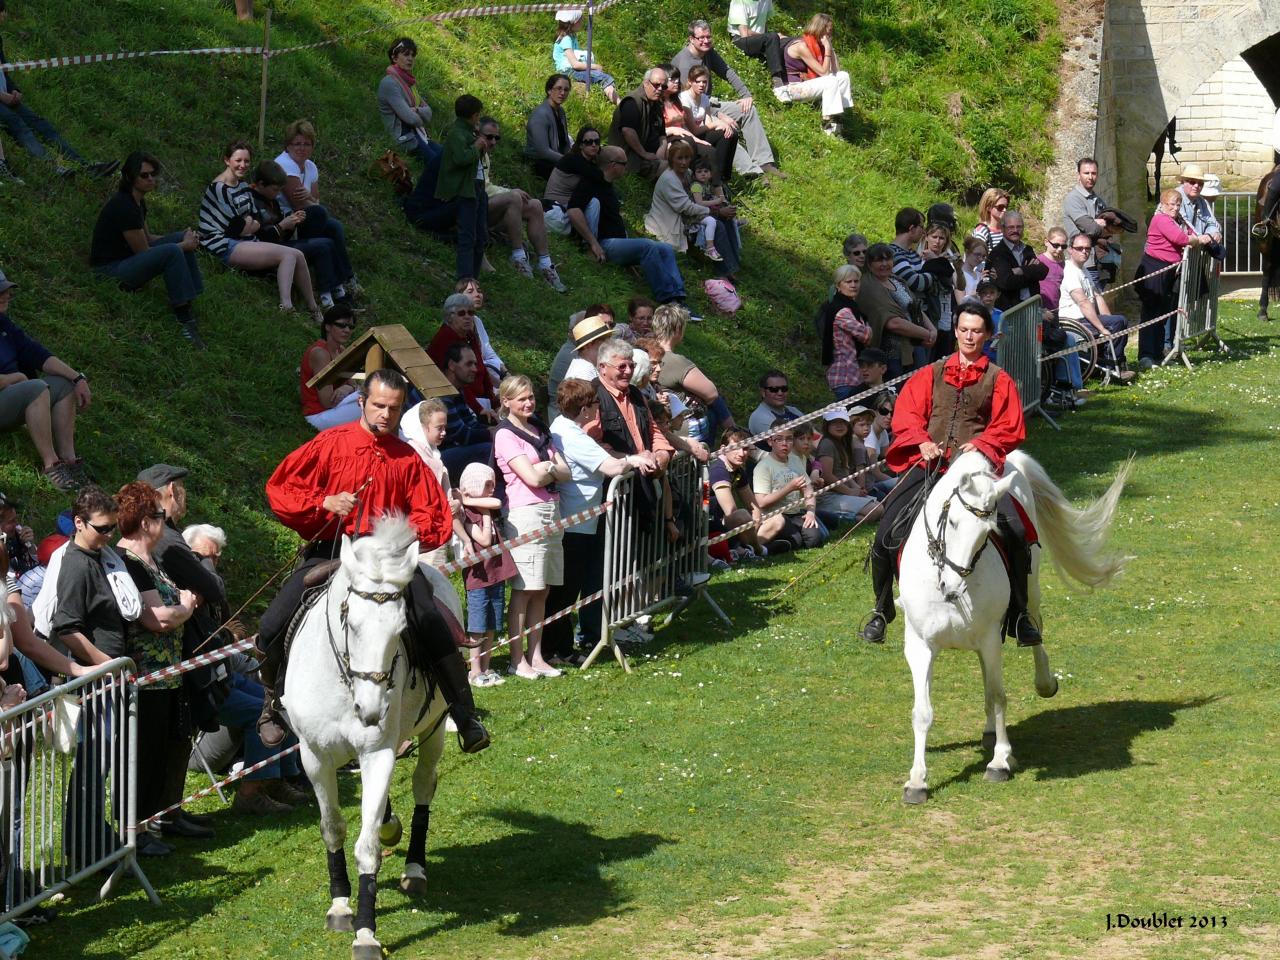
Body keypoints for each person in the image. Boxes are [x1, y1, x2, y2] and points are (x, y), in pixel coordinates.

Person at [255, 369, 489, 753]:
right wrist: (323, 503)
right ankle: (271, 706)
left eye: (394, 408)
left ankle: (464, 713)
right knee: (272, 623)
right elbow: (282, 488)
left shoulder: (407, 459)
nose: (385, 414)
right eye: (378, 405)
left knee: (430, 619)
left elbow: (433, 516)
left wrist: (402, 531)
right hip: (331, 551)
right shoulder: (330, 443)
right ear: (362, 402)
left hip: (388, 560)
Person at [858, 302, 1037, 646]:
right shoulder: (930, 373)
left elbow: (1009, 425)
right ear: (956, 332)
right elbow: (907, 415)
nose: (970, 336)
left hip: (976, 470)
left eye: (977, 331)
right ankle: (881, 611)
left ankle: (1021, 615)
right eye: (964, 329)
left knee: (1016, 532)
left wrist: (983, 443)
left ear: (988, 335)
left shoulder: (999, 380)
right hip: (931, 466)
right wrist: (921, 442)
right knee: (885, 532)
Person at [182, 523, 307, 816]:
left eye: (214, 558)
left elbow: (231, 643)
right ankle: (251, 792)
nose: (209, 564)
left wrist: (242, 652)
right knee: (261, 715)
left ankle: (280, 778)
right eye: (201, 557)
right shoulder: (185, 593)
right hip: (204, 685)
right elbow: (207, 645)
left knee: (278, 699)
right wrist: (229, 639)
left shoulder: (213, 591)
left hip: (228, 675)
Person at [114, 481, 200, 857]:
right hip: (144, 681)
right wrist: (187, 607)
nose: (164, 523)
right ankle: (135, 830)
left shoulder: (150, 561)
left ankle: (149, 824)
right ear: (147, 522)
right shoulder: (131, 563)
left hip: (165, 678)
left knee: (157, 755)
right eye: (160, 516)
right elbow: (158, 619)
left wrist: (178, 609)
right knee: (142, 759)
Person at [545, 378, 647, 663]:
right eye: (593, 404)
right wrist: (635, 460)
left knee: (567, 589)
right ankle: (556, 649)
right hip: (575, 523)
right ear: (585, 408)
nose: (596, 409)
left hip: (579, 520)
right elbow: (611, 466)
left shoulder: (566, 429)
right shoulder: (571, 435)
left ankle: (558, 647)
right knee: (565, 592)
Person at [493, 375, 570, 680]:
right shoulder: (505, 435)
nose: (528, 403)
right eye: (521, 398)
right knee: (525, 589)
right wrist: (548, 469)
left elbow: (564, 471)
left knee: (543, 588)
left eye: (531, 398)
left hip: (552, 511)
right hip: (526, 515)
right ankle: (516, 658)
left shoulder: (540, 429)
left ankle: (536, 655)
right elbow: (532, 478)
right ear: (507, 401)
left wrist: (546, 468)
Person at [90, 152, 205, 348]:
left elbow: (148, 238)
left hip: (126, 260)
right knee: (174, 250)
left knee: (178, 239)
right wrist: (182, 246)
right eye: (144, 175)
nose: (151, 179)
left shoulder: (138, 202)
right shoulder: (124, 205)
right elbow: (144, 251)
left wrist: (184, 238)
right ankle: (184, 318)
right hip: (109, 271)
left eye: (153, 174)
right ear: (129, 177)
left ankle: (190, 295)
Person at [197, 139, 320, 318]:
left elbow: (255, 222)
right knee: (287, 255)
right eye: (238, 161)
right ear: (227, 160)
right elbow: (235, 229)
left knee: (298, 255)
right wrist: (249, 225)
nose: (242, 165)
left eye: (246, 161)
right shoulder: (219, 188)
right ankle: (286, 305)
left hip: (243, 241)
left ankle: (314, 308)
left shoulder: (242, 186)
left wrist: (249, 224)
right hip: (223, 244)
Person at [567, 146, 693, 311]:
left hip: (617, 242)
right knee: (647, 246)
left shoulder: (609, 186)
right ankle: (669, 301)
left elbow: (615, 222)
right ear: (613, 165)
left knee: (665, 249)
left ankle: (679, 298)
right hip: (604, 243)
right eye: (624, 163)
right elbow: (573, 210)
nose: (626, 167)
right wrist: (593, 243)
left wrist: (629, 261)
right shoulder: (591, 183)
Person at [0, 1, 117, 178]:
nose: (4, 16)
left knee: (41, 124)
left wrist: (14, 89)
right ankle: (52, 167)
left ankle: (85, 166)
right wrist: (3, 97)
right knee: (18, 125)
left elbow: (5, 69)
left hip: (7, 96)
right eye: (2, 12)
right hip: (2, 100)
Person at [0, 271, 92, 492]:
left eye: (6, 290)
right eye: (0, 292)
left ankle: (69, 460)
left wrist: (77, 377)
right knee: (37, 387)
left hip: (13, 395)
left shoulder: (4, 325)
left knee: (63, 384)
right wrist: (18, 378)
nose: (6, 295)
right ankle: (51, 466)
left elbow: (38, 354)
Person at [671, 21, 783, 180]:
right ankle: (751, 172)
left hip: (708, 103)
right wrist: (720, 116)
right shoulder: (685, 64)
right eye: (701, 37)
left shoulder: (707, 52)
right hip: (694, 113)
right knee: (726, 129)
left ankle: (764, 162)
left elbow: (726, 71)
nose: (706, 41)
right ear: (691, 39)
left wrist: (746, 95)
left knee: (748, 109)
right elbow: (690, 103)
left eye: (708, 36)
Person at [273, 120, 361, 304]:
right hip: (288, 221)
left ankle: (347, 277)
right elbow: (297, 203)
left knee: (333, 226)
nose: (302, 148)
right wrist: (310, 200)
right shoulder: (285, 164)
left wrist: (310, 200)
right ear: (288, 145)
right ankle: (338, 282)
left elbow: (315, 200)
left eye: (306, 144)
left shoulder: (311, 167)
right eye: (297, 144)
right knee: (321, 215)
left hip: (306, 216)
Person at [244, 159, 347, 311]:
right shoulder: (250, 201)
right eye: (274, 189)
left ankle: (336, 291)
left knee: (324, 229)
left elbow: (281, 232)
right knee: (323, 245)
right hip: (265, 250)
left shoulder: (272, 201)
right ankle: (325, 300)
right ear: (260, 184)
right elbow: (259, 238)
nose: (277, 193)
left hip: (280, 242)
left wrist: (293, 222)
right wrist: (282, 226)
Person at [477, 116, 567, 291]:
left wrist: (509, 191)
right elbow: (480, 189)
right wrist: (510, 192)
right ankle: (518, 256)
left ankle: (545, 264)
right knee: (514, 198)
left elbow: (487, 186)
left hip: (486, 203)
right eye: (489, 137)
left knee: (535, 205)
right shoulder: (473, 153)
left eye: (497, 138)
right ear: (477, 133)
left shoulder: (485, 156)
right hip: (475, 208)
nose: (493, 142)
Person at [645, 141, 742, 278]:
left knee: (727, 219)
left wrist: (721, 205)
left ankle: (733, 263)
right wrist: (717, 211)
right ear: (671, 159)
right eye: (680, 158)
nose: (684, 162)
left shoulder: (688, 173)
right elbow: (687, 208)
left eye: (687, 157)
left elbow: (703, 192)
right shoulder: (669, 180)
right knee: (718, 225)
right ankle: (724, 271)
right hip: (673, 220)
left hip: (690, 213)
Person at [457, 462, 513, 687]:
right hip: (478, 577)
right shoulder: (467, 515)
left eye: (493, 484)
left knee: (492, 623)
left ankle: (487, 666)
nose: (492, 488)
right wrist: (486, 515)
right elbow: (484, 540)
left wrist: (471, 500)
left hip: (496, 574)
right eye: (487, 485)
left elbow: (496, 500)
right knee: (478, 625)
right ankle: (475, 670)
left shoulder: (480, 504)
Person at [1136, 188, 1204, 369]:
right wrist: (1198, 240)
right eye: (1171, 204)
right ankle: (1146, 355)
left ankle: (1158, 353)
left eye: (1178, 204)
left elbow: (1189, 233)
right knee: (1151, 313)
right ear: (1163, 205)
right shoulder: (1160, 219)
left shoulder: (1175, 220)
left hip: (1168, 271)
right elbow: (1181, 239)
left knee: (1162, 313)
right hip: (1155, 269)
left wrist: (1195, 237)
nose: (1175, 208)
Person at [652, 304, 736, 445]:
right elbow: (711, 393)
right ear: (678, 329)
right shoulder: (676, 361)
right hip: (686, 432)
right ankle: (735, 433)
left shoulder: (647, 354)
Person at [1060, 234, 1135, 382]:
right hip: (1074, 321)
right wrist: (1102, 328)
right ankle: (1112, 368)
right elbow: (1083, 303)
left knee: (1119, 321)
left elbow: (1097, 296)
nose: (1084, 252)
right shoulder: (1070, 272)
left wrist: (1107, 319)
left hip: (1084, 318)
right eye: (1079, 248)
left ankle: (1111, 364)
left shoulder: (1083, 269)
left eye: (1087, 248)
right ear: (1070, 250)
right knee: (1117, 322)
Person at [858, 243, 935, 379]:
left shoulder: (896, 280)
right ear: (869, 264)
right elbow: (893, 323)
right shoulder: (868, 286)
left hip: (915, 346)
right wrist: (926, 334)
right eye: (878, 260)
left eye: (887, 259)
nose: (884, 263)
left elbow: (914, 307)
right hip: (891, 355)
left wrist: (932, 329)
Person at [437, 95, 491, 281]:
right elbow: (461, 158)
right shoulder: (457, 134)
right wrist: (476, 146)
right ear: (474, 115)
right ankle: (465, 279)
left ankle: (473, 278)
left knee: (480, 236)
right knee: (468, 236)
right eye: (478, 116)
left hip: (477, 187)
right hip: (466, 190)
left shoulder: (469, 133)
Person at [752, 423, 827, 550]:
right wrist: (789, 488)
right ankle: (771, 546)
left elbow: (808, 489)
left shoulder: (795, 460)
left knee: (815, 540)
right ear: (770, 441)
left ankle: (785, 542)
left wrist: (810, 512)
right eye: (779, 439)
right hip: (776, 516)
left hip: (796, 513)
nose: (784, 443)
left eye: (789, 438)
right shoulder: (763, 467)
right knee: (796, 541)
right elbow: (762, 503)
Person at [779, 14, 853, 137]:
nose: (830, 34)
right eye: (829, 30)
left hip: (806, 84)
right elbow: (824, 73)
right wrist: (828, 50)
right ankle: (827, 123)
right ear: (820, 29)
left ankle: (837, 117)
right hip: (792, 88)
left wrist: (831, 49)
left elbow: (836, 72)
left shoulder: (820, 45)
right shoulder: (802, 46)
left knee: (843, 76)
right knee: (830, 81)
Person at [427, 293, 498, 417]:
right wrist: (479, 409)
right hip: (460, 402)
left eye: (471, 313)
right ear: (449, 317)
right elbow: (457, 382)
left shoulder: (469, 335)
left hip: (481, 400)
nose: (467, 317)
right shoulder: (445, 338)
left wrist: (493, 401)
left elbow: (482, 369)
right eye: (462, 313)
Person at [437, 342, 496, 483]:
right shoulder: (441, 392)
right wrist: (491, 433)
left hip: (450, 449)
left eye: (475, 364)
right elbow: (461, 434)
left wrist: (494, 430)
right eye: (469, 364)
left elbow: (470, 423)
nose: (475, 369)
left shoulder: (457, 389)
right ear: (452, 365)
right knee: (490, 450)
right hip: (432, 456)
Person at [707, 426, 770, 556]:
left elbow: (754, 508)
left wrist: (754, 528)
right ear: (723, 448)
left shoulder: (738, 469)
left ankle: (749, 547)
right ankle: (756, 549)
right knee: (741, 515)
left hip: (724, 524)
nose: (742, 453)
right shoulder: (718, 469)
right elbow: (731, 512)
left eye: (746, 448)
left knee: (776, 519)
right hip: (709, 526)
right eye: (736, 448)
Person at [300, 304, 361, 430]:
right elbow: (327, 401)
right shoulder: (320, 353)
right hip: (318, 415)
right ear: (328, 326)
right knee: (371, 404)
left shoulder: (341, 350)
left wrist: (348, 388)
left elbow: (354, 386)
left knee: (374, 398)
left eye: (350, 327)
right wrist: (349, 388)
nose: (347, 330)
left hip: (336, 409)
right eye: (341, 325)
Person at [677, 65, 740, 187]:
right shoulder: (684, 99)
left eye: (704, 82)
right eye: (698, 82)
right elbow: (694, 130)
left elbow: (708, 122)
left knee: (731, 133)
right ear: (690, 82)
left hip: (701, 132)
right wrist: (717, 123)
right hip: (689, 136)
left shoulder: (704, 98)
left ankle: (723, 176)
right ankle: (717, 179)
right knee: (723, 134)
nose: (701, 85)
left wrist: (723, 125)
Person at [377, 37, 435, 161]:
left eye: (413, 55)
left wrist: (417, 110)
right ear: (394, 58)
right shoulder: (390, 83)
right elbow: (411, 119)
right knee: (438, 163)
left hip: (418, 135)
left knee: (446, 157)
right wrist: (419, 116)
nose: (410, 58)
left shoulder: (410, 84)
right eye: (406, 54)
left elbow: (429, 113)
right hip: (403, 138)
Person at [818, 264, 871, 399]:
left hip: (853, 376)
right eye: (848, 282)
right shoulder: (843, 311)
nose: (853, 285)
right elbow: (865, 335)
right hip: (845, 376)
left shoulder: (850, 306)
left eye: (856, 281)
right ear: (838, 285)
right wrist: (869, 328)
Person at [608, 67, 669, 180]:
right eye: (656, 85)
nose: (660, 89)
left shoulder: (656, 104)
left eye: (664, 86)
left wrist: (661, 150)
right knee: (670, 168)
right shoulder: (632, 102)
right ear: (646, 83)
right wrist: (645, 154)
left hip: (650, 152)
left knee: (680, 155)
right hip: (628, 155)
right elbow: (627, 131)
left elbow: (662, 135)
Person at [551, 9, 620, 104]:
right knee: (605, 78)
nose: (581, 22)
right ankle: (621, 105)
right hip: (569, 71)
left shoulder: (571, 37)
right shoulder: (566, 39)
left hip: (571, 70)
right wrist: (595, 66)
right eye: (580, 20)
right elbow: (575, 64)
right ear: (574, 22)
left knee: (600, 75)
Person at [543, 125, 603, 229]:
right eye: (589, 142)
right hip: (556, 207)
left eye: (596, 142)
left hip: (568, 205)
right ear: (581, 145)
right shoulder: (573, 160)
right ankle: (589, 241)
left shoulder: (586, 161)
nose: (593, 145)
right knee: (594, 202)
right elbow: (599, 177)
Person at [988, 211, 1048, 311]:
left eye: (1019, 227)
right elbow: (1006, 282)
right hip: (1012, 311)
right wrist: (1030, 273)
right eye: (1011, 227)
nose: (1015, 230)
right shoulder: (998, 253)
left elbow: (1043, 271)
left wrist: (1020, 270)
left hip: (1032, 308)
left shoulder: (1027, 249)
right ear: (1002, 229)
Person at [1063, 156, 1109, 282]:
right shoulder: (1073, 199)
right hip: (1083, 264)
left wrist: (1095, 223)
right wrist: (1095, 223)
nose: (1090, 177)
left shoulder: (1097, 199)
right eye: (1086, 173)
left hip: (1099, 261)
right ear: (1078, 175)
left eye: (1093, 173)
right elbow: (1091, 229)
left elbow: (1111, 228)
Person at [727, 0, 786, 90]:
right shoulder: (739, 2)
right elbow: (744, 34)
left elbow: (765, 24)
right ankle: (777, 80)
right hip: (739, 40)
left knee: (785, 40)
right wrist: (769, 37)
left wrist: (770, 39)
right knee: (773, 37)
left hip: (760, 38)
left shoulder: (766, 1)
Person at [919, 221, 958, 358]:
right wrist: (936, 260)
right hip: (930, 318)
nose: (937, 241)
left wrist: (937, 259)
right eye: (934, 237)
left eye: (941, 238)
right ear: (926, 237)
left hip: (946, 318)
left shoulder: (947, 262)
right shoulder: (920, 259)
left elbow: (956, 283)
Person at [526, 75, 575, 178]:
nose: (562, 93)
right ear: (549, 90)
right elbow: (543, 151)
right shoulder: (540, 114)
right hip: (541, 163)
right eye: (559, 88)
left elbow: (565, 143)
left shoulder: (560, 112)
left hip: (558, 158)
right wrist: (568, 161)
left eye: (566, 90)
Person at [1173, 164, 1222, 252]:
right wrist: (1201, 239)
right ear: (1183, 182)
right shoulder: (1174, 199)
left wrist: (1214, 233)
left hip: (1194, 255)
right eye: (1192, 182)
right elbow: (1183, 226)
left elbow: (1211, 222)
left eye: (1200, 183)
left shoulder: (1201, 201)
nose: (1196, 186)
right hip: (1175, 255)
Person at [747, 369, 803, 438]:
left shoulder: (794, 411)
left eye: (784, 389)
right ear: (763, 392)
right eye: (774, 389)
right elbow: (786, 444)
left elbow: (814, 435)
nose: (780, 393)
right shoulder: (760, 417)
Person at [565, 314, 613, 382]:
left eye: (608, 338)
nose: (608, 343)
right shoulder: (583, 372)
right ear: (588, 345)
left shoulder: (588, 364)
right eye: (603, 339)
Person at [958, 235, 988, 300]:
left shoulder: (979, 274)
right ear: (967, 252)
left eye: (983, 256)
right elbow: (961, 301)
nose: (980, 259)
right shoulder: (959, 274)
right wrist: (980, 285)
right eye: (977, 254)